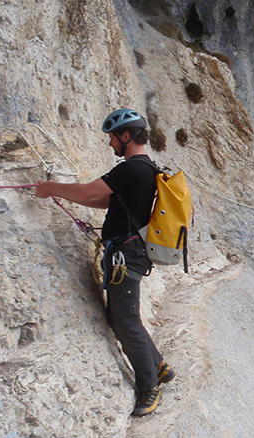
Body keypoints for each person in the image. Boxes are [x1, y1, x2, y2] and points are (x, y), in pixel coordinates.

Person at [35, 108, 175, 416]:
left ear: (126, 136)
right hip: (129, 252)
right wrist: (61, 195)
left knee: (126, 321)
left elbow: (87, 190)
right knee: (121, 317)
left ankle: (149, 388)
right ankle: (159, 367)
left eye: (112, 137)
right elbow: (99, 200)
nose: (110, 143)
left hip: (126, 255)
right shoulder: (144, 169)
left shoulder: (132, 169)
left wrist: (50, 188)